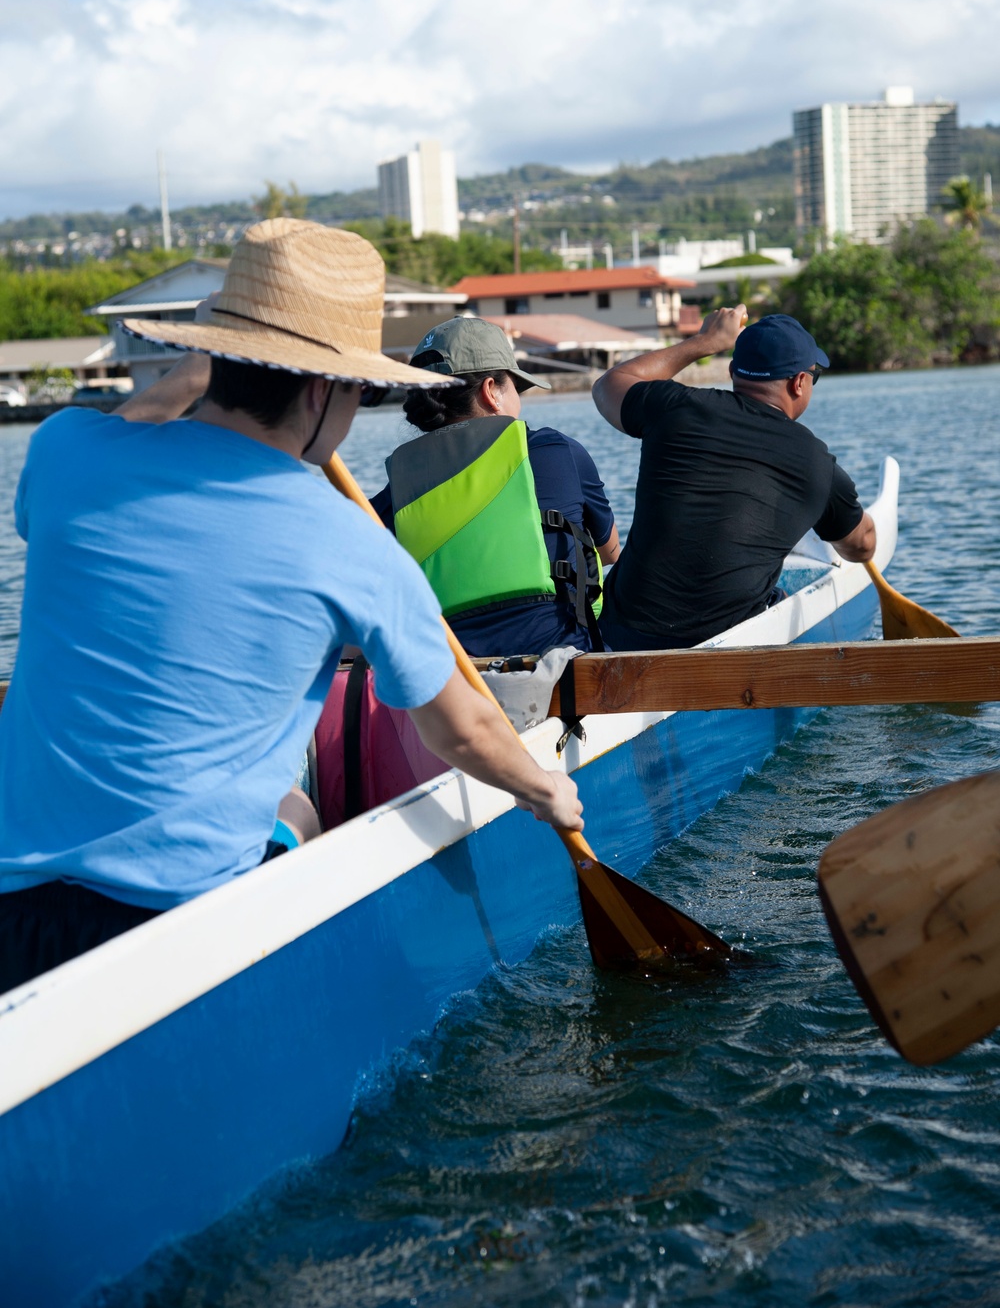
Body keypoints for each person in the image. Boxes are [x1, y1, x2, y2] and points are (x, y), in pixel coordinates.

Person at [0, 220, 582, 996]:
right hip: (177, 930)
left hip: (13, 908)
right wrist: (545, 789)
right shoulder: (353, 543)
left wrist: (205, 362)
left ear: (214, 358)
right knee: (296, 809)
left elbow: (126, 426)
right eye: (356, 393)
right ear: (319, 391)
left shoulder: (64, 450)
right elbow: (464, 728)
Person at [592, 309, 877, 650]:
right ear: (799, 382)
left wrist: (704, 342)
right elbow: (862, 546)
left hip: (622, 637)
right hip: (723, 652)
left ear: (731, 371)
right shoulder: (817, 463)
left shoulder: (675, 407)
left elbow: (609, 385)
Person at [369, 316, 621, 658]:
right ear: (491, 391)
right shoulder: (553, 449)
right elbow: (609, 553)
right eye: (515, 387)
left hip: (458, 682)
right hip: (563, 664)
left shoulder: (391, 497)